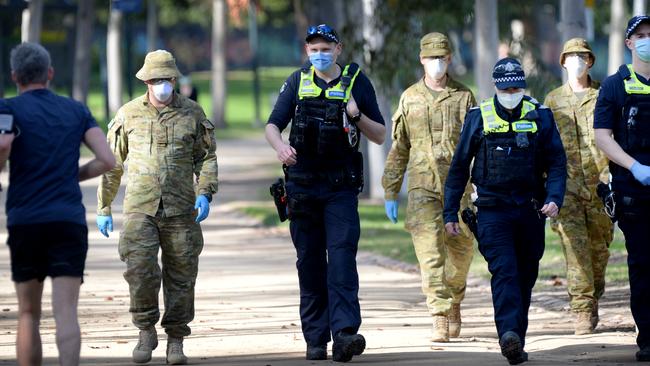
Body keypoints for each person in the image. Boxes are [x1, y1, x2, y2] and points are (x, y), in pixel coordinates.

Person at [265, 24, 385, 362]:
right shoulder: (297, 81)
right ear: (307, 51)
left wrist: (356, 114)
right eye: (314, 48)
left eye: (326, 48)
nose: (320, 53)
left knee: (342, 258)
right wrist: (280, 148)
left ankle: (345, 334)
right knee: (310, 261)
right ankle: (315, 338)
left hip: (340, 187)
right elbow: (273, 124)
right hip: (302, 185)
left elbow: (378, 134)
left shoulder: (356, 82)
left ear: (338, 49)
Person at [96, 49, 218, 365]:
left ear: (174, 79)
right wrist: (104, 206)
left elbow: (206, 157)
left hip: (181, 209)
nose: (162, 84)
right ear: (146, 81)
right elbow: (112, 163)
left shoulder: (192, 113)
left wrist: (205, 191)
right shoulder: (128, 114)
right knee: (139, 270)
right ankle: (145, 329)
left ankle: (176, 339)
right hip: (140, 207)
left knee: (181, 275)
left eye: (167, 79)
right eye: (156, 80)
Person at [443, 58, 567, 365]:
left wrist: (554, 198)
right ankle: (508, 334)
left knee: (525, 274)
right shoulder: (479, 117)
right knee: (506, 271)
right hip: (492, 210)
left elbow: (557, 162)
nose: (511, 92)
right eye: (505, 87)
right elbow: (459, 167)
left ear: (522, 86)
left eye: (516, 86)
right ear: (496, 87)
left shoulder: (541, 115)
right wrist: (449, 212)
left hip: (531, 209)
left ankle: (516, 339)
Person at [0, 42, 115, 366]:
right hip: (68, 220)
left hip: (25, 220)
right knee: (66, 312)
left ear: (14, 76)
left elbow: (2, 146)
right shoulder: (77, 110)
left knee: (28, 313)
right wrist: (70, 175)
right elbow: (107, 160)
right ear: (49, 73)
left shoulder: (7, 109)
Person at [381, 32, 475, 343]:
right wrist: (391, 190)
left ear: (450, 59)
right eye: (431, 57)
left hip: (459, 188)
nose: (437, 63)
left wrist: (481, 186)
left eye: (442, 57)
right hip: (423, 187)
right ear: (421, 59)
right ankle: (439, 314)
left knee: (460, 254)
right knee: (430, 255)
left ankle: (455, 300)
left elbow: (478, 146)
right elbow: (400, 146)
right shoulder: (410, 97)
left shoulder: (464, 97)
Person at [544, 38, 613, 335]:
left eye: (582, 56)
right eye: (571, 56)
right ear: (563, 62)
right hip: (566, 187)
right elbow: (542, 146)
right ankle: (582, 309)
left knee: (599, 252)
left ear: (590, 60)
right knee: (576, 251)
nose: (577, 61)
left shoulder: (605, 95)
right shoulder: (552, 100)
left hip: (601, 185)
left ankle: (592, 295)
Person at [594, 15, 650, 362]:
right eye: (640, 35)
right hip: (635, 189)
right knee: (643, 264)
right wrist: (634, 167)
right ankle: (648, 337)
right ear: (629, 43)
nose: (647, 40)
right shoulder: (616, 85)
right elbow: (603, 136)